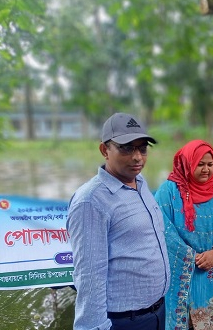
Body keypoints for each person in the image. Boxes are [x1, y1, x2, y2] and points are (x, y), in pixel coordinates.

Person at [67, 112, 170, 330]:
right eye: (126, 147)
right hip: (124, 322)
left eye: (142, 148)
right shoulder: (91, 201)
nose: (137, 157)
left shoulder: (140, 182)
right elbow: (89, 275)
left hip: (158, 311)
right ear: (105, 150)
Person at [154, 139, 213, 330]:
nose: (206, 169)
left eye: (210, 164)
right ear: (187, 163)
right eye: (200, 164)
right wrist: (193, 257)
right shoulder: (167, 193)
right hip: (181, 274)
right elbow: (163, 231)